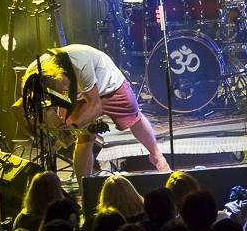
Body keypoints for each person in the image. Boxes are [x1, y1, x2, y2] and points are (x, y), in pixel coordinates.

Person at [20, 44, 169, 180]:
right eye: (59, 90)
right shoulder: (33, 77)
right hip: (79, 94)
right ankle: (84, 188)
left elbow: (95, 106)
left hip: (107, 83)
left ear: (61, 74)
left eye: (63, 85)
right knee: (84, 139)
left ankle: (156, 156)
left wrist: (74, 127)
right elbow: (30, 109)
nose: (64, 89)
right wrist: (55, 131)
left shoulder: (80, 63)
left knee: (133, 117)